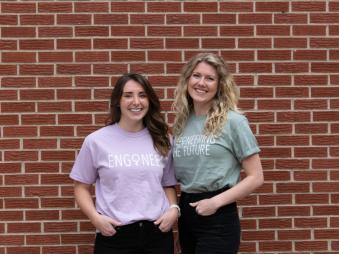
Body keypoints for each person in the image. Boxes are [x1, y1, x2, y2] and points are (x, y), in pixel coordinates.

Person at [70, 73, 179, 254]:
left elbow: (168, 184)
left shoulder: (163, 140)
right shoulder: (96, 141)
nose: (136, 102)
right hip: (115, 235)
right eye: (128, 95)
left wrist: (174, 209)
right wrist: (95, 219)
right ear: (118, 101)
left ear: (149, 100)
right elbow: (80, 187)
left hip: (157, 234)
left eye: (142, 95)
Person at [172, 52, 264, 254]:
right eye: (196, 76)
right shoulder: (181, 123)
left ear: (219, 85)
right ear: (187, 79)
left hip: (218, 215)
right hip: (187, 211)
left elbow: (256, 177)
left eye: (210, 78)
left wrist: (215, 202)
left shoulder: (234, 122)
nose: (201, 83)